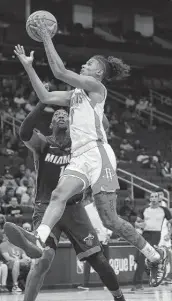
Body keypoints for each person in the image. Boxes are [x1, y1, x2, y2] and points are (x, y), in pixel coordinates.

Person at [5, 31, 168, 288]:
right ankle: (39, 237)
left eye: (89, 64)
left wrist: (46, 37)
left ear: (99, 73)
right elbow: (46, 97)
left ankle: (156, 255)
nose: (84, 65)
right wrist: (28, 68)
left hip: (98, 154)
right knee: (59, 194)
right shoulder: (75, 96)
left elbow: (59, 71)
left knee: (110, 220)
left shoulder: (96, 88)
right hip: (80, 157)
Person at [8, 104, 125, 301]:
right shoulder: (44, 144)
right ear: (51, 123)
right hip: (46, 207)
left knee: (99, 260)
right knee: (43, 260)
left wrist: (90, 106)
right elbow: (24, 132)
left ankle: (120, 298)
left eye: (65, 114)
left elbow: (103, 126)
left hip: (74, 208)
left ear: (71, 122)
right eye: (57, 115)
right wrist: (41, 104)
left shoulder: (81, 146)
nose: (62, 116)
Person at [132, 191, 172, 291]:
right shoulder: (144, 209)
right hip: (145, 234)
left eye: (155, 197)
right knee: (139, 258)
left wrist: (169, 234)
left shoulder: (164, 210)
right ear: (150, 199)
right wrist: (140, 225)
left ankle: (137, 284)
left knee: (142, 258)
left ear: (159, 199)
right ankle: (140, 282)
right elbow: (137, 223)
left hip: (155, 236)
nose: (153, 198)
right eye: (152, 196)